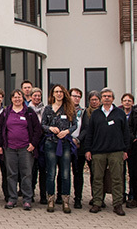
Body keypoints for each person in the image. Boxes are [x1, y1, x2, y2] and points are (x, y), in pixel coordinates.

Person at [84, 88, 130, 216]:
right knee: (97, 178)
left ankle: (117, 204)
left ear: (113, 98)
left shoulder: (119, 113)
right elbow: (90, 133)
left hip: (116, 151)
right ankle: (97, 202)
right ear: (101, 99)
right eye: (104, 96)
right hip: (98, 151)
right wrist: (88, 149)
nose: (107, 98)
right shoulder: (95, 114)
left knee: (117, 179)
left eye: (109, 96)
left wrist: (125, 150)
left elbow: (126, 132)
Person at [0, 89, 41, 211]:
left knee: (26, 174)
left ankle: (27, 199)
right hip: (9, 148)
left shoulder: (29, 112)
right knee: (11, 174)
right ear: (11, 99)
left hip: (25, 148)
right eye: (15, 97)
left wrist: (33, 144)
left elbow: (37, 130)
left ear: (23, 99)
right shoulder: (6, 112)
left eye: (19, 97)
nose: (17, 99)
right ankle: (12, 198)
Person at [41, 85, 77, 213]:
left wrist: (67, 131)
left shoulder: (69, 108)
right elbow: (43, 124)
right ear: (53, 94)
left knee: (65, 173)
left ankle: (65, 201)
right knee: (51, 173)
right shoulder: (48, 108)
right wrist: (50, 128)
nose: (59, 94)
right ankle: (50, 199)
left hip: (65, 143)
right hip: (51, 143)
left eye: (61, 92)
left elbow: (75, 124)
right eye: (56, 92)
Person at [28, 87, 46, 204]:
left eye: (39, 96)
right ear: (30, 97)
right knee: (31, 170)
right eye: (35, 96)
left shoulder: (46, 109)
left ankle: (44, 195)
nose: (37, 98)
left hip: (43, 142)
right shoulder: (27, 109)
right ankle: (31, 193)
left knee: (44, 170)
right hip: (31, 143)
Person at [69, 87, 86, 209]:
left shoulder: (83, 112)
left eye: (79, 96)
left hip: (79, 146)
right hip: (65, 144)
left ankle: (78, 198)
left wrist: (78, 139)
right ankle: (61, 196)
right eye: (74, 96)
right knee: (63, 172)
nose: (76, 98)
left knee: (78, 173)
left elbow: (86, 128)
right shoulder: (64, 110)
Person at [120, 93, 134, 205]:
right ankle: (122, 194)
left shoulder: (136, 113)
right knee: (121, 172)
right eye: (125, 100)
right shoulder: (118, 113)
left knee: (133, 172)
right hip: (121, 146)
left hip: (133, 147)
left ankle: (132, 195)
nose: (127, 102)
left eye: (129, 100)